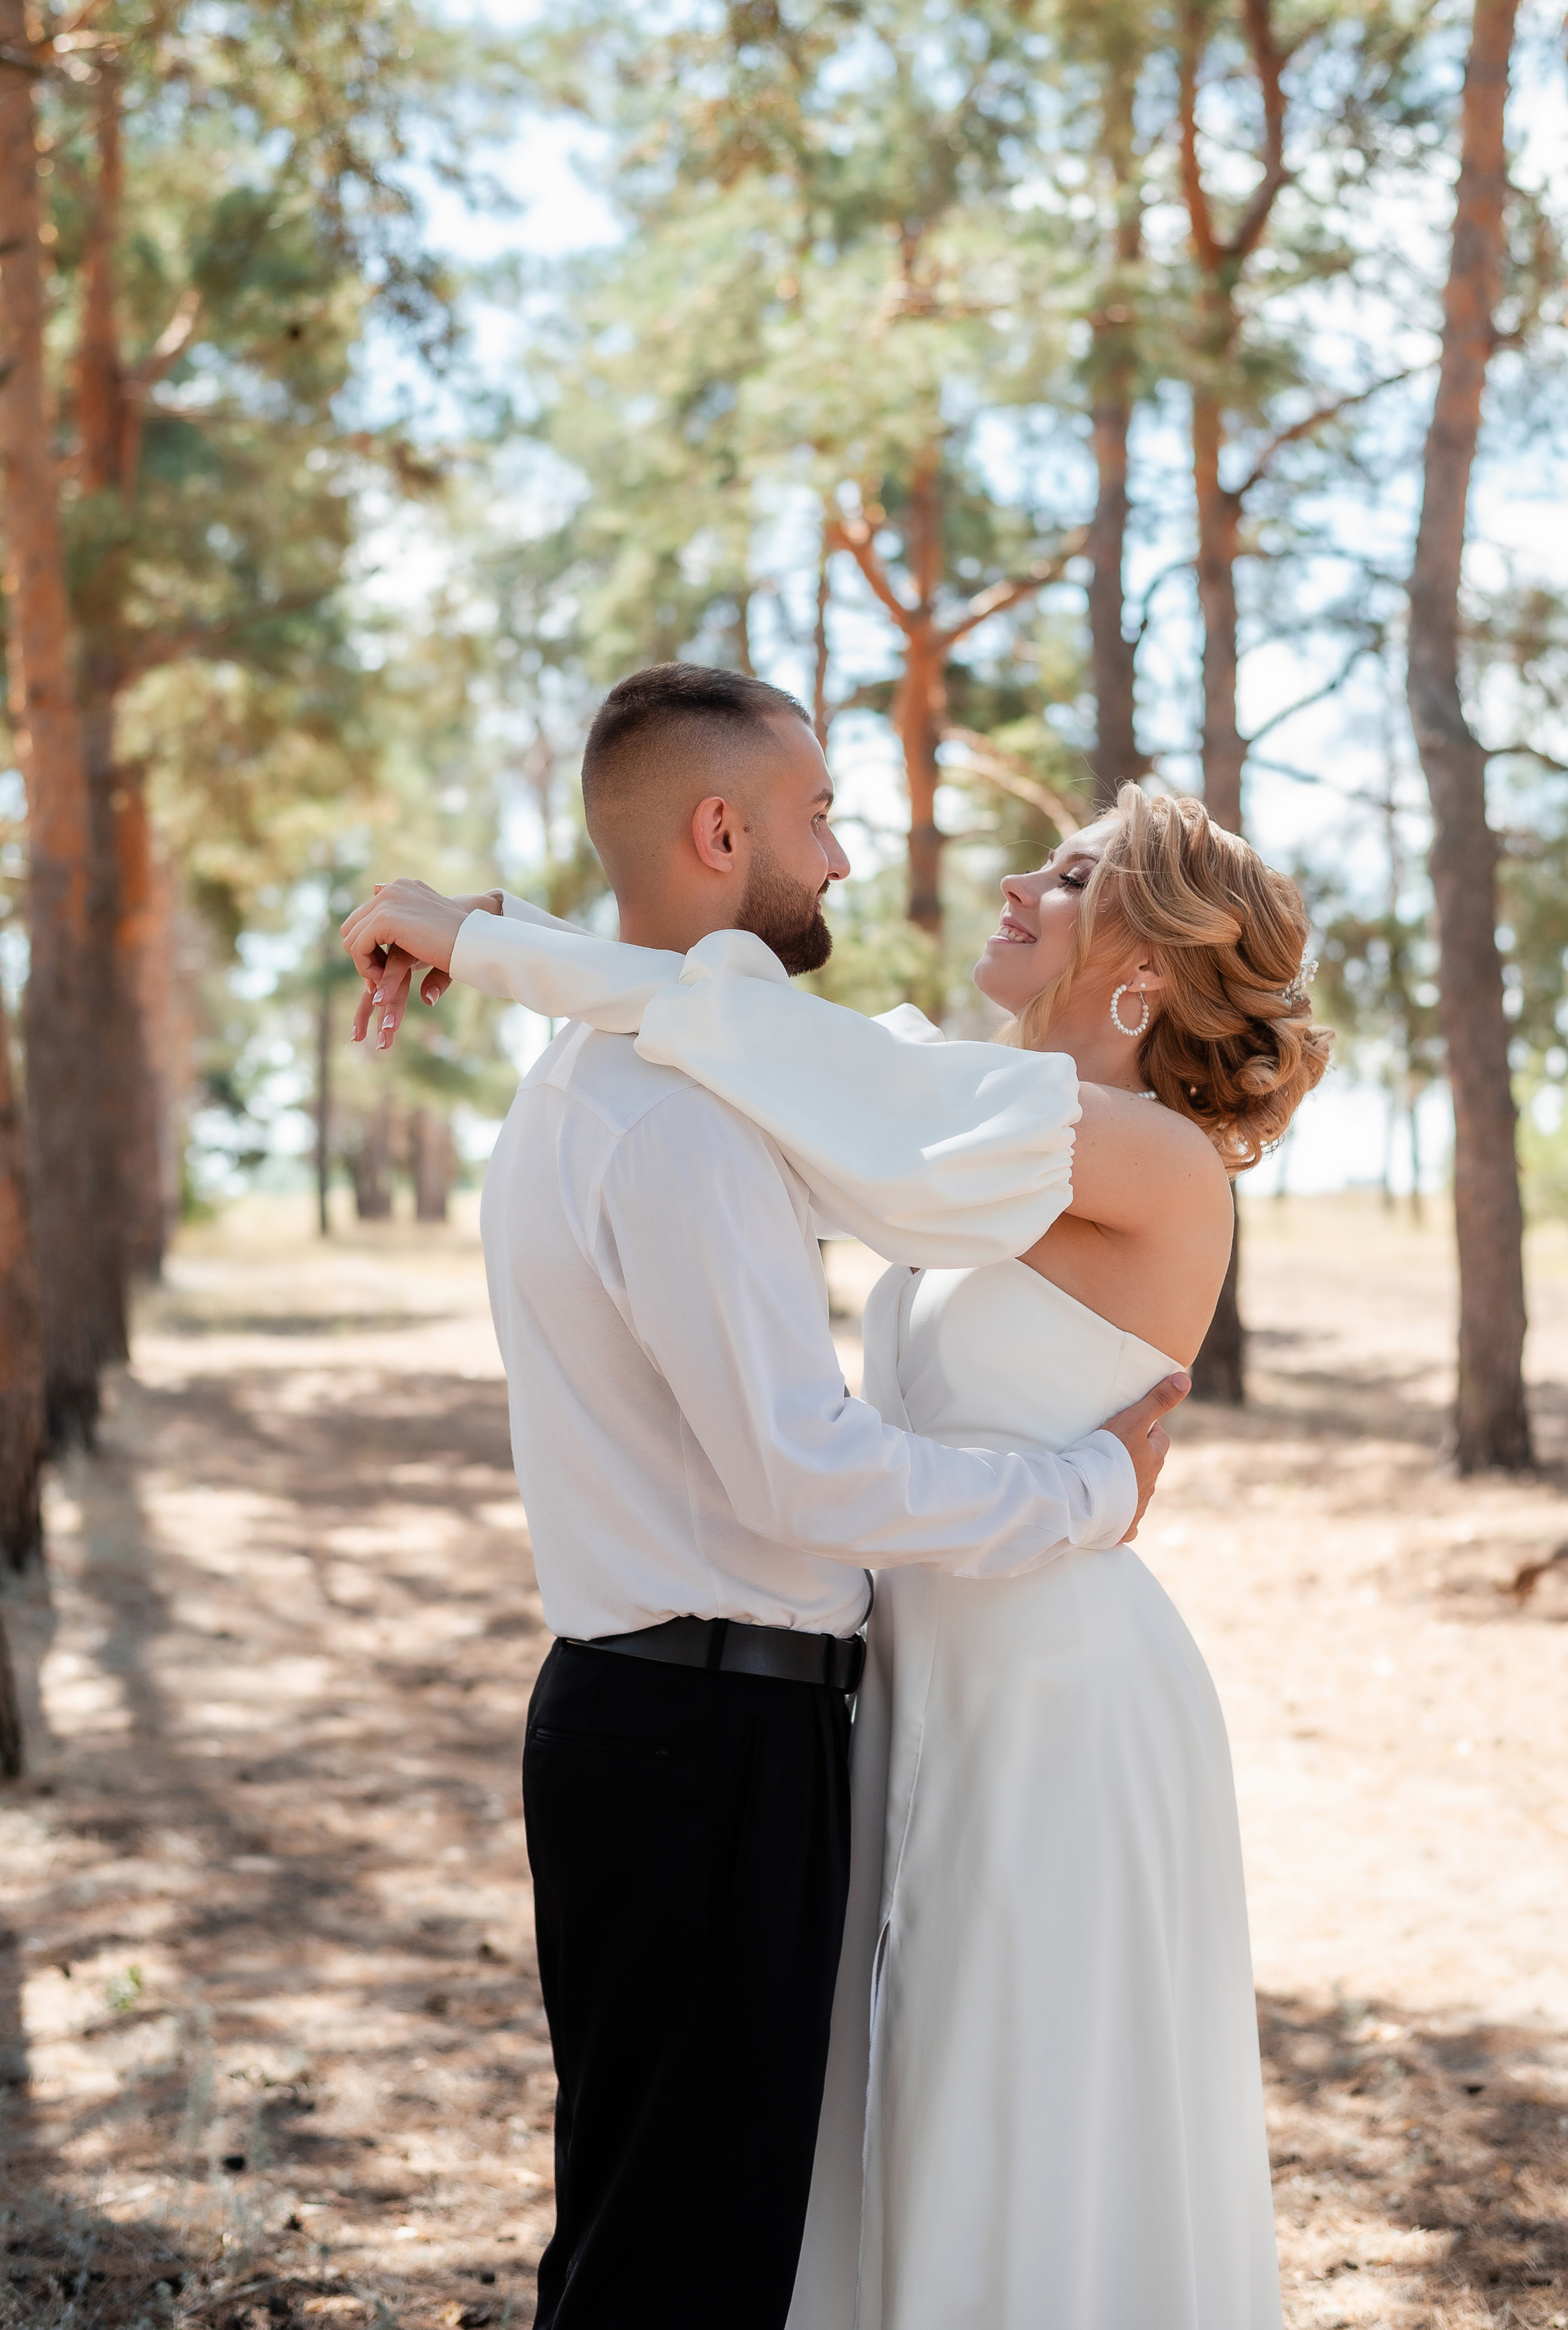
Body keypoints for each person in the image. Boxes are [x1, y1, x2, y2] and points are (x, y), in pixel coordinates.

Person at [341, 664, 1189, 2330]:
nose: (846, 861)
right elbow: (799, 1462)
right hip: (710, 1734)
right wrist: (1086, 1488)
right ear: (719, 829)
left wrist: (478, 929)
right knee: (687, 2261)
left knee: (657, 2223)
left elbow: (792, 1059)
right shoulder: (681, 1123)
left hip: (673, 1722)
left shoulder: (623, 1076)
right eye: (817, 820)